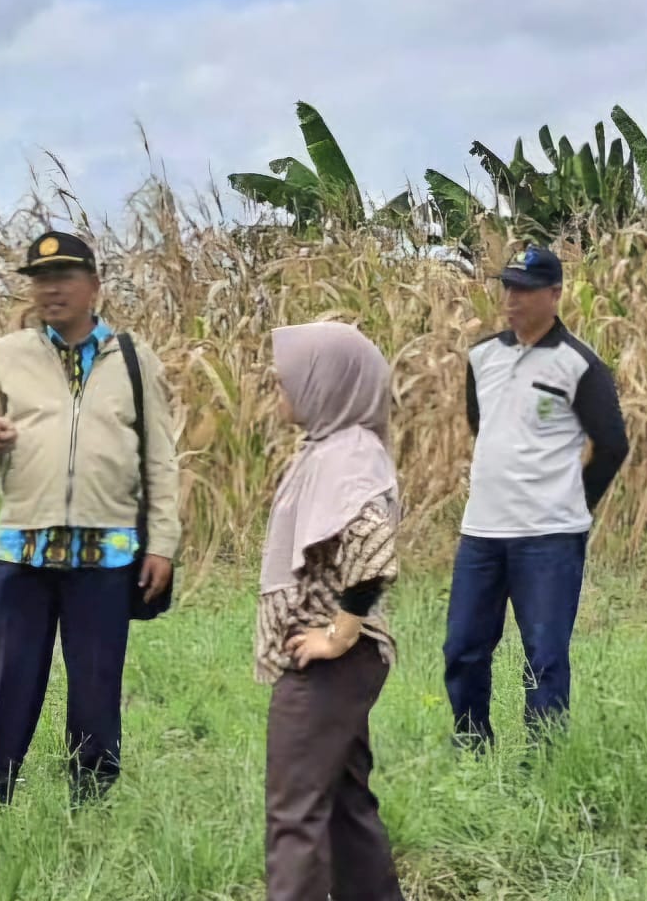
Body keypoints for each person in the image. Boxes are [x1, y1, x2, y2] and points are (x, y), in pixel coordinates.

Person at [0, 229, 180, 805]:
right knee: (9, 680)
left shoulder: (132, 358)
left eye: (64, 278)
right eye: (40, 280)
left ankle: (93, 796)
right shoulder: (7, 354)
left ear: (94, 286)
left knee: (97, 682)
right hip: (21, 549)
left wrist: (162, 544)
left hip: (105, 554)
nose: (50, 290)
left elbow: (160, 457)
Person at [443, 245, 630, 750]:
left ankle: (543, 765)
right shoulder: (482, 357)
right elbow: (482, 427)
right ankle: (471, 752)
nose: (512, 298)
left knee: (544, 655)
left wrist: (573, 503)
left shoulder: (580, 365)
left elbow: (612, 445)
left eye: (525, 290)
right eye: (508, 287)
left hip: (549, 538)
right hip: (482, 534)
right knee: (463, 648)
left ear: (555, 294)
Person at [258, 321, 404, 901]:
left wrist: (339, 635)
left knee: (293, 812)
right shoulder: (336, 448)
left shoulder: (348, 456)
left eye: (289, 380)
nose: (280, 389)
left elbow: (372, 548)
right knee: (345, 806)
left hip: (330, 666)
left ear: (327, 383)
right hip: (348, 665)